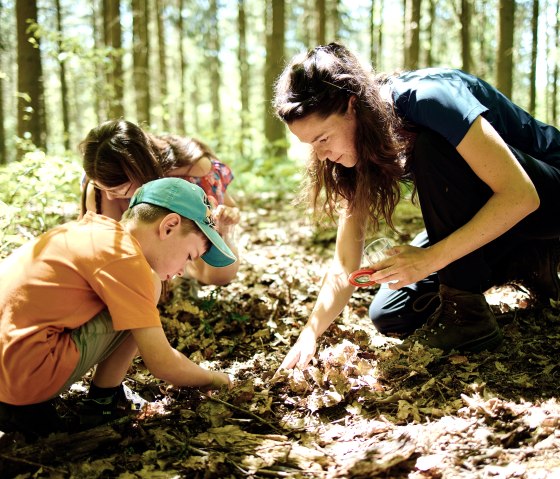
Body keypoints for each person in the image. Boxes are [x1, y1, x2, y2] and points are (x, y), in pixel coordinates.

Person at [273, 43, 560, 369]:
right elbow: (344, 263)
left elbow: (522, 195)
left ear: (351, 106)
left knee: (433, 147)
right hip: (505, 215)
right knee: (391, 313)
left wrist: (429, 260)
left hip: (547, 195)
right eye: (310, 145)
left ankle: (467, 316)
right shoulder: (353, 150)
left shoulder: (428, 99)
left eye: (323, 138)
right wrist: (310, 333)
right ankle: (529, 256)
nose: (321, 155)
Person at [0, 177, 235, 437]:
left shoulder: (93, 232)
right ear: (169, 226)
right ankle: (102, 404)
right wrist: (217, 379)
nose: (181, 271)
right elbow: (163, 363)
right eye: (189, 256)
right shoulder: (129, 260)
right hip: (21, 378)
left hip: (11, 363)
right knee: (148, 291)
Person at [80, 120, 240, 286]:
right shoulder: (102, 183)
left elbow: (227, 210)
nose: (111, 197)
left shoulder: (193, 176)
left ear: (140, 172)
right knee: (96, 194)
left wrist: (228, 218)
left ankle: (167, 277)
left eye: (119, 189)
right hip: (143, 237)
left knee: (216, 274)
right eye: (104, 187)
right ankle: (125, 268)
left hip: (182, 244)